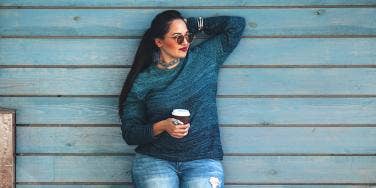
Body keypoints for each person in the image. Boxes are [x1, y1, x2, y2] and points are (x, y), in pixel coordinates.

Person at [118, 10, 245, 188]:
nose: (185, 42)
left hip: (203, 159)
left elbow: (236, 24)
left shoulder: (205, 58)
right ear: (159, 42)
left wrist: (189, 24)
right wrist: (162, 126)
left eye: (188, 36)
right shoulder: (143, 81)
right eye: (177, 37)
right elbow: (130, 133)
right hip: (155, 160)